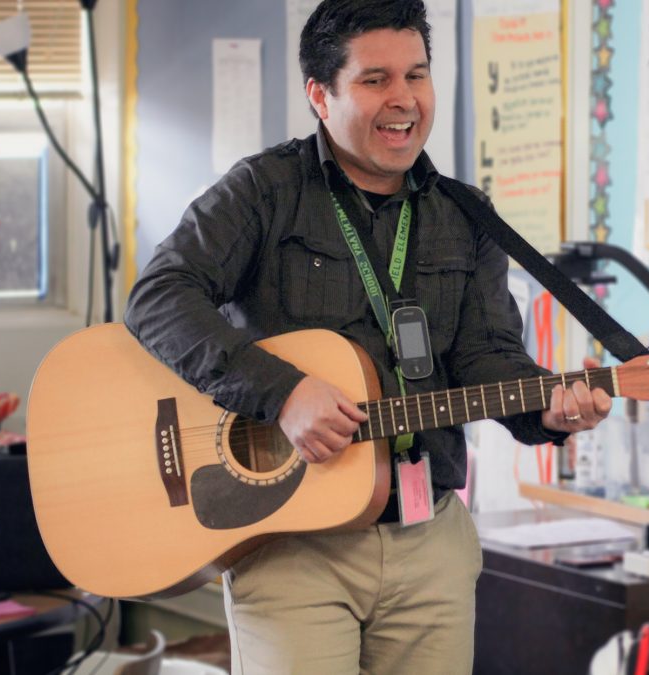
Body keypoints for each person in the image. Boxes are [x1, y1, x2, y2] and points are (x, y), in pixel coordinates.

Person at [124, 1, 612, 672]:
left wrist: (547, 406)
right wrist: (283, 394)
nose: (404, 99)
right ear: (319, 95)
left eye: (417, 74)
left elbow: (485, 357)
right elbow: (158, 297)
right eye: (375, 79)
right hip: (292, 550)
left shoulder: (467, 215)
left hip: (429, 543)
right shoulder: (264, 192)